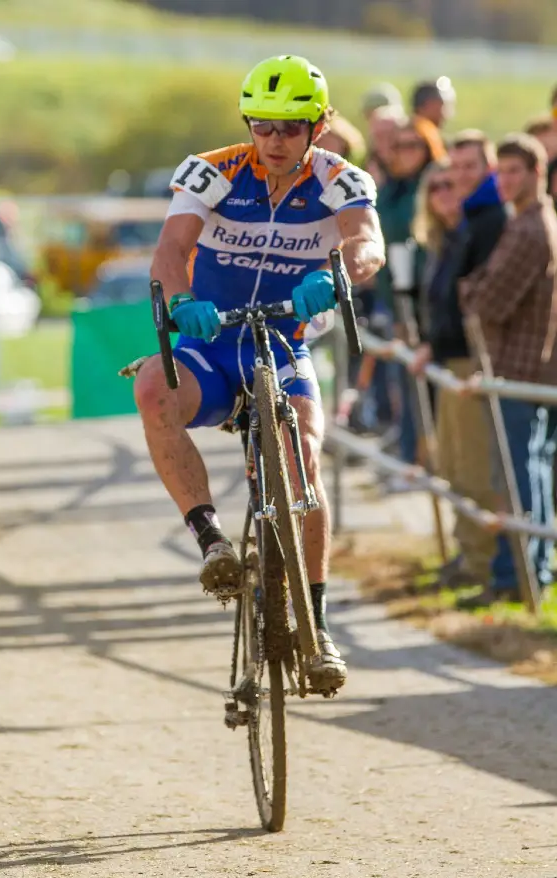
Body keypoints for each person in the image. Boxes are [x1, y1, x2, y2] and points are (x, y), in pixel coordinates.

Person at [134, 55, 385, 691]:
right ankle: (212, 538)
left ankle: (318, 624)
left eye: (291, 127)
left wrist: (333, 277)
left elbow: (367, 244)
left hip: (283, 339)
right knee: (152, 388)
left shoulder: (340, 178)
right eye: (262, 125)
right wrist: (182, 296)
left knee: (303, 452)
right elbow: (170, 248)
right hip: (212, 341)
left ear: (320, 125)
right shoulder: (213, 170)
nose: (274, 140)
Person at [459, 134, 557, 606]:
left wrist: (469, 291)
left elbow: (488, 302)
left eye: (515, 171)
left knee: (517, 475)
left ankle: (515, 575)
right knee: (530, 469)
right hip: (526, 370)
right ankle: (529, 571)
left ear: (537, 173)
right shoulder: (532, 222)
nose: (506, 180)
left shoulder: (529, 229)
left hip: (516, 368)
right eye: (502, 172)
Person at [410, 160, 498, 587]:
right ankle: (468, 556)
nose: (445, 193)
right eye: (436, 187)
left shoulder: (476, 233)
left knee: (475, 466)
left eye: (452, 184)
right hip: (447, 361)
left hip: (468, 362)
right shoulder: (443, 241)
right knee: (454, 466)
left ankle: (481, 563)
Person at [376, 118, 443, 475]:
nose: (403, 153)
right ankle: (409, 461)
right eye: (398, 145)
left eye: (412, 145)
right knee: (404, 381)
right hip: (397, 293)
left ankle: (426, 464)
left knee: (431, 387)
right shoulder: (390, 189)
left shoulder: (434, 184)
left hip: (428, 295)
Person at [411, 77, 455, 161]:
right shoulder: (426, 130)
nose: (446, 112)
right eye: (442, 104)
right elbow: (440, 163)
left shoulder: (411, 126)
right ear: (429, 104)